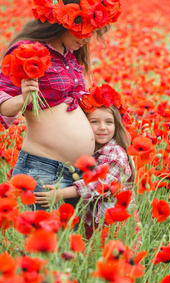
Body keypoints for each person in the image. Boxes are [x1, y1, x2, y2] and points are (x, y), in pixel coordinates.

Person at [0, 0, 122, 210]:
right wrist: (24, 98)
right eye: (83, 30)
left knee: (65, 242)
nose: (87, 38)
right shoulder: (28, 51)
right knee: (41, 241)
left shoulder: (70, 56)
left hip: (76, 174)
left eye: (92, 31)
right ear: (63, 22)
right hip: (42, 169)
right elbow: (3, 105)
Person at [34, 89, 138, 238]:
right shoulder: (90, 150)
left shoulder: (115, 153)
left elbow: (100, 185)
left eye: (109, 122)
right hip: (98, 220)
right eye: (94, 122)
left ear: (116, 125)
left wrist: (62, 193)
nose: (102, 127)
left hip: (117, 223)